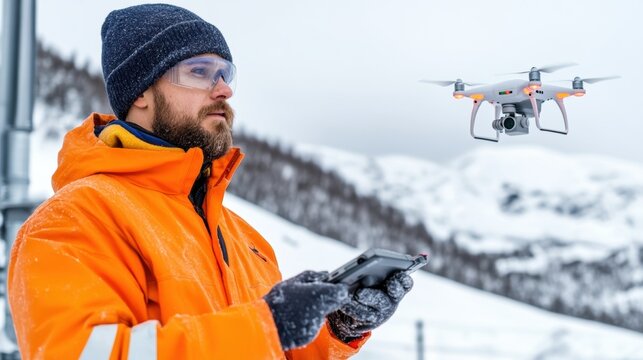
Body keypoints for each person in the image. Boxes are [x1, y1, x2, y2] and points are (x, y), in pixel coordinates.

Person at [8, 3, 414, 359]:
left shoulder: (244, 239)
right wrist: (267, 324)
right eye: (199, 72)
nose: (223, 90)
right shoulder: (71, 223)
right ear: (141, 93)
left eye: (225, 73)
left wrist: (332, 329)